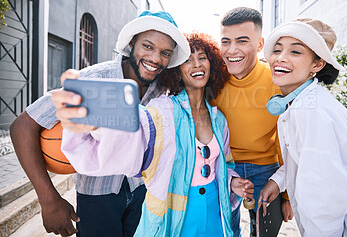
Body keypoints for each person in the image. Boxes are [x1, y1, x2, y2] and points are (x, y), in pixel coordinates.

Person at [9, 10, 190, 237]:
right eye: (147, 46)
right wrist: (48, 198)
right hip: (97, 197)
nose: (155, 58)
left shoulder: (163, 90)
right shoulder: (95, 80)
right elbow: (23, 125)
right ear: (132, 42)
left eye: (165, 53)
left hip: (143, 193)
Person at [58, 32, 255, 236]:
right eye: (188, 60)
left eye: (202, 57)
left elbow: (225, 164)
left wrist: (233, 182)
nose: (197, 64)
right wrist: (91, 107)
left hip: (215, 212)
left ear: (211, 64)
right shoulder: (164, 110)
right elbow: (137, 127)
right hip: (175, 219)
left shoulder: (219, 119)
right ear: (177, 70)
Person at [259, 18, 347, 236]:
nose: (281, 58)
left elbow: (323, 198)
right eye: (277, 49)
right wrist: (278, 181)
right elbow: (306, 158)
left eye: (295, 52)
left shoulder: (309, 111)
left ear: (317, 64)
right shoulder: (306, 101)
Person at [213, 7, 293, 236]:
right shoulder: (213, 80)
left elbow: (288, 140)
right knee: (226, 230)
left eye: (242, 41)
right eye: (226, 41)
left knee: (264, 233)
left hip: (267, 170)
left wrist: (287, 194)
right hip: (225, 169)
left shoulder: (278, 80)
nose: (232, 50)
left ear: (260, 45)